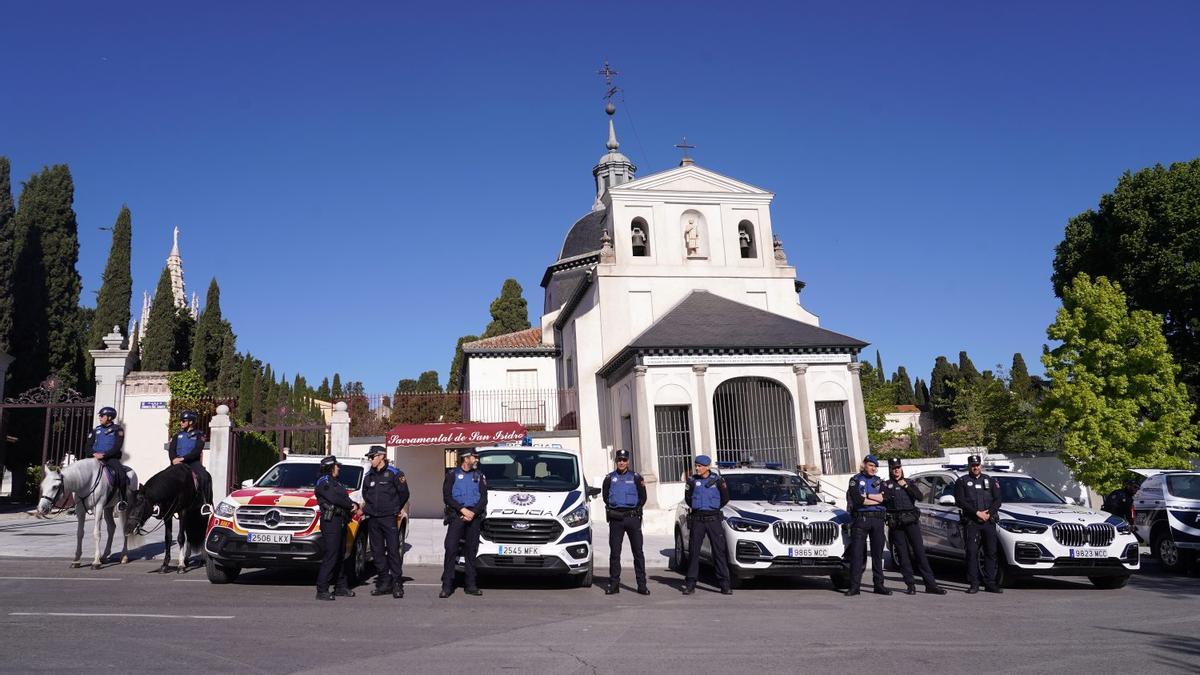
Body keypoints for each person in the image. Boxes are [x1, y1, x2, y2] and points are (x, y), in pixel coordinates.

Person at [883, 458, 945, 595]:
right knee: (903, 555)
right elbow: (883, 501)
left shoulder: (910, 482)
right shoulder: (886, 485)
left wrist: (906, 486)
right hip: (897, 523)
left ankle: (930, 585)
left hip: (911, 521)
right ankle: (910, 585)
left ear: (901, 468)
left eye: (898, 467)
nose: (896, 470)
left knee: (920, 553)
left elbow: (919, 496)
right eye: (894, 468)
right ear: (890, 470)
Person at [361, 446, 410, 599]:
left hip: (389, 518)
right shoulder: (369, 476)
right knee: (377, 552)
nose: (370, 460)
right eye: (369, 457)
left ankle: (397, 583)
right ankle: (384, 581)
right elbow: (365, 494)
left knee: (393, 550)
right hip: (373, 518)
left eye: (372, 457)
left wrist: (396, 508)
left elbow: (404, 493)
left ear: (381, 456)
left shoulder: (395, 473)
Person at [440, 449, 488, 598]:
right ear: (466, 459)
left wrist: (473, 513)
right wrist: (462, 510)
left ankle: (471, 585)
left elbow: (484, 498)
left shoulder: (479, 476)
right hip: (457, 516)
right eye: (475, 457)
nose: (477, 460)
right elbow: (447, 497)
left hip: (474, 517)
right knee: (451, 549)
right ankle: (447, 586)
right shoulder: (452, 475)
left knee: (471, 551)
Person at [682, 454, 732, 595]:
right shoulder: (692, 481)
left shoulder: (717, 481)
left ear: (707, 467)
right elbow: (688, 499)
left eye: (700, 466)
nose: (697, 468)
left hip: (713, 520)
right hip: (698, 520)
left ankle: (725, 584)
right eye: (696, 466)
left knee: (719, 552)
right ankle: (690, 584)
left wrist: (713, 508)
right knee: (694, 552)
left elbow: (725, 498)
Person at [953, 454, 1003, 594]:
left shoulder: (990, 480)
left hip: (988, 521)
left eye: (977, 465)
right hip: (972, 522)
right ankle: (974, 584)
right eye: (973, 465)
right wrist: (977, 513)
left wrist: (989, 513)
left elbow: (998, 500)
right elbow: (960, 501)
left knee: (991, 552)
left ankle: (990, 583)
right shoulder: (962, 481)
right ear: (969, 466)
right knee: (972, 553)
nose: (975, 467)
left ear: (981, 465)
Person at [602, 449, 649, 595]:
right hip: (616, 519)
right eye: (619, 460)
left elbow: (643, 497)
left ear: (628, 461)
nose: (621, 462)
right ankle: (614, 585)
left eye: (624, 460)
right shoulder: (609, 478)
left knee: (638, 553)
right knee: (615, 553)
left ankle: (642, 585)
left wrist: (634, 510)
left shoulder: (636, 477)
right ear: (616, 461)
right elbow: (605, 497)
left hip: (632, 519)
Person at [845, 455, 891, 596]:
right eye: (871, 465)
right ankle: (855, 587)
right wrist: (877, 499)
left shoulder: (879, 481)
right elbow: (858, 500)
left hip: (877, 520)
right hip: (861, 520)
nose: (873, 468)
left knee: (877, 554)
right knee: (857, 555)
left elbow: (886, 498)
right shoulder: (855, 480)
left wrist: (868, 496)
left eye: (875, 466)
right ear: (864, 464)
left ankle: (879, 585)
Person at [315, 455, 360, 601]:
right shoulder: (324, 482)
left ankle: (340, 586)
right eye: (337, 465)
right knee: (331, 555)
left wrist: (354, 504)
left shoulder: (336, 483)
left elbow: (345, 498)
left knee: (340, 555)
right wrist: (350, 505)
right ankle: (322, 589)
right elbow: (335, 498)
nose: (339, 468)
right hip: (331, 522)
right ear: (330, 467)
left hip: (340, 521)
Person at [167, 411, 212, 506]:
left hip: (192, 462)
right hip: (176, 462)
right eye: (181, 421)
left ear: (191, 422)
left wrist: (183, 459)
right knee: (163, 477)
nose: (181, 423)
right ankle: (160, 505)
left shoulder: (200, 435)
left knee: (204, 476)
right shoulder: (176, 435)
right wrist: (173, 459)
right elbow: (171, 449)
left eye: (183, 421)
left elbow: (197, 451)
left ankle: (205, 504)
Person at [84, 406, 128, 502]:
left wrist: (104, 455)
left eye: (102, 416)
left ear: (109, 417)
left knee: (121, 475)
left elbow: (117, 447)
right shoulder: (96, 430)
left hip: (110, 458)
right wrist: (93, 454)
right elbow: (88, 446)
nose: (100, 418)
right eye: (100, 416)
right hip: (94, 458)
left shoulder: (118, 430)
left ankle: (123, 500)